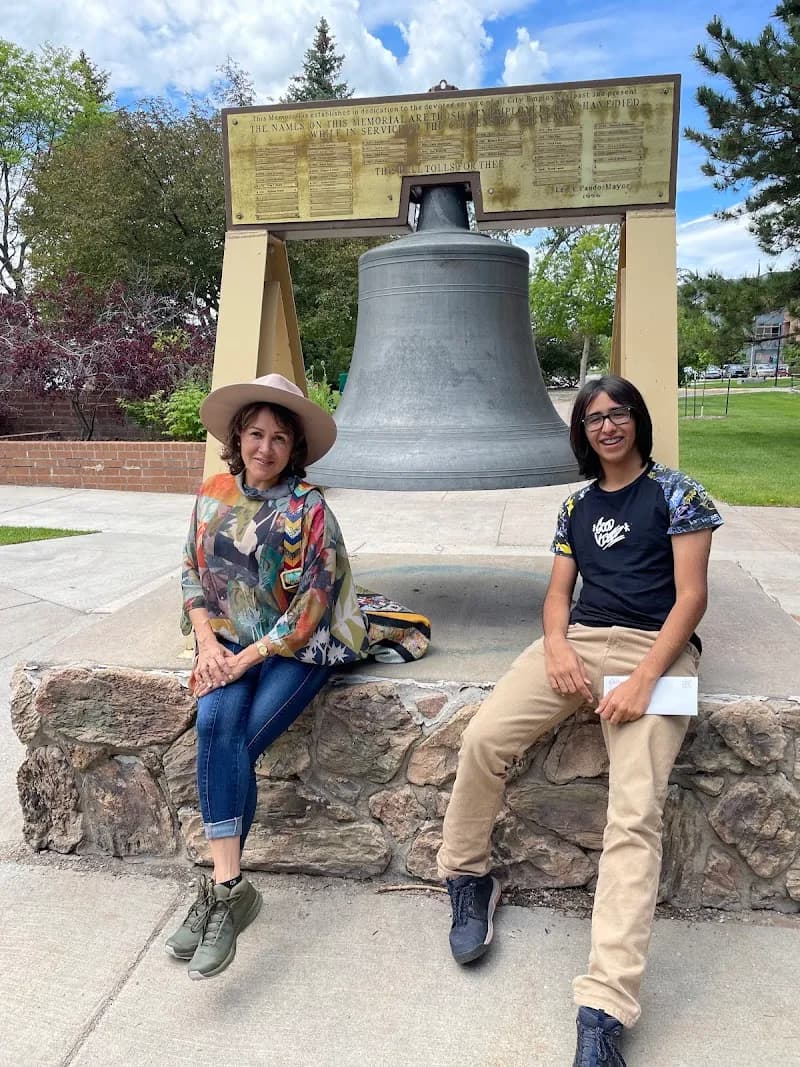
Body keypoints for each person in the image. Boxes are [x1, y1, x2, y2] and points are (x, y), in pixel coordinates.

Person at [437, 375, 723, 1066]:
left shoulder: (680, 495)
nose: (608, 425)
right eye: (594, 417)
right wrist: (559, 646)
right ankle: (468, 875)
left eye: (618, 413)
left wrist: (645, 679)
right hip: (580, 644)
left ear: (637, 421)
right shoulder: (574, 506)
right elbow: (557, 594)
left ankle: (603, 1009)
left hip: (659, 654)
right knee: (482, 737)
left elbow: (692, 599)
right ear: (582, 432)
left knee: (634, 813)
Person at [165, 372, 369, 980]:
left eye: (280, 438)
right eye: (255, 433)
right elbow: (190, 576)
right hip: (226, 641)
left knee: (231, 743)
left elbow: (308, 613)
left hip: (299, 650)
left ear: (294, 448)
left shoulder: (311, 511)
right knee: (215, 726)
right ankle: (231, 888)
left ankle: (218, 893)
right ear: (238, 437)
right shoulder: (212, 494)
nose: (265, 447)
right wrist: (207, 644)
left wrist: (238, 661)